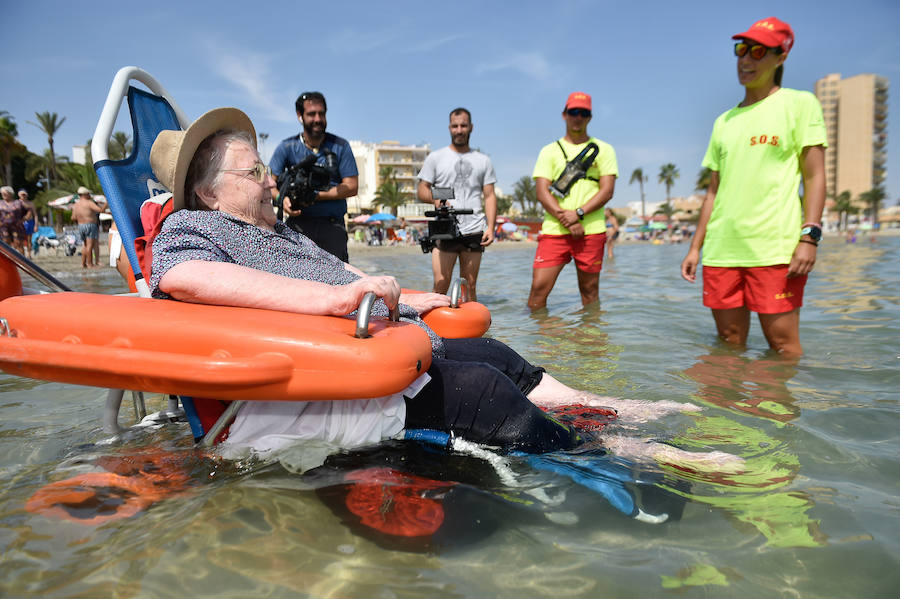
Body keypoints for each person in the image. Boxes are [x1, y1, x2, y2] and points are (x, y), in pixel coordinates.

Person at [145, 108, 730, 470]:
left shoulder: (278, 232)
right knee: (479, 391)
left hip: (365, 342)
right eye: (254, 174)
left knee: (499, 358)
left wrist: (403, 297)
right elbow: (182, 278)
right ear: (208, 192)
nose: (271, 180)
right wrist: (333, 301)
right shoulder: (191, 227)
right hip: (308, 384)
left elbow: (340, 273)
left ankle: (616, 413)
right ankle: (637, 458)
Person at [680, 17, 826, 357]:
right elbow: (713, 191)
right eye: (741, 50)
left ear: (781, 57)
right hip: (722, 250)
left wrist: (810, 236)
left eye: (758, 51)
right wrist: (694, 248)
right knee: (729, 345)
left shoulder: (799, 104)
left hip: (774, 249)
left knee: (783, 347)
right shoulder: (724, 121)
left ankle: (773, 411)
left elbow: (815, 176)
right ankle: (731, 411)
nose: (746, 60)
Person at [527, 92, 618, 310]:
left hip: (591, 231)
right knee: (538, 291)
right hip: (554, 230)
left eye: (583, 113)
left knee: (590, 293)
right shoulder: (549, 151)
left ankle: (589, 341)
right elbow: (542, 191)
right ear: (564, 115)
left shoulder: (604, 150)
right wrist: (567, 219)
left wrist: (578, 214)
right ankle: (538, 343)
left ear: (590, 117)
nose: (578, 117)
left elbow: (607, 191)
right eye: (573, 112)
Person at [417, 108, 497, 301]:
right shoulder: (436, 157)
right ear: (449, 128)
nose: (459, 130)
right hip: (445, 228)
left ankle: (472, 331)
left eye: (463, 125)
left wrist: (491, 227)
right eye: (455, 126)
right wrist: (437, 199)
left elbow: (489, 196)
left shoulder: (483, 160)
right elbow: (421, 190)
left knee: (469, 287)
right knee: (441, 283)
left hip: (474, 228)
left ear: (471, 127)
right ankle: (431, 329)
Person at [270, 91, 358, 262]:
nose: (317, 119)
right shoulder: (287, 147)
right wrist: (282, 198)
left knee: (338, 280)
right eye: (311, 114)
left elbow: (352, 186)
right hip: (298, 224)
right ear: (300, 116)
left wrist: (316, 196)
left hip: (332, 226)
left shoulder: (340, 146)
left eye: (321, 113)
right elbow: (269, 184)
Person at [71, 186, 105, 268]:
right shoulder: (89, 202)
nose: (90, 195)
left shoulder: (76, 205)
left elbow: (73, 217)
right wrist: (106, 204)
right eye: (88, 193)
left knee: (85, 245)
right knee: (90, 245)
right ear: (85, 194)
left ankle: (83, 263)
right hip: (90, 225)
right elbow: (100, 210)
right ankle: (90, 264)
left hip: (80, 226)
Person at [0, 186, 28, 253]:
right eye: (2, 193)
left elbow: (29, 211)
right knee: (6, 244)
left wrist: (23, 219)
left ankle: (22, 261)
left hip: (16, 226)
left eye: (5, 193)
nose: (3, 195)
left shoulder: (18, 203)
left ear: (10, 194)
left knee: (18, 243)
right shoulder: (0, 203)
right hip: (4, 227)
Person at [17, 190, 36, 258]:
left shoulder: (30, 203)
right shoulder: (17, 203)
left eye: (24, 194)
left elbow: (35, 215)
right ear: (19, 195)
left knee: (29, 240)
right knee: (20, 239)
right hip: (20, 223)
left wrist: (36, 225)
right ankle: (22, 255)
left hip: (29, 222)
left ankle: (29, 254)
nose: (23, 196)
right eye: (22, 194)